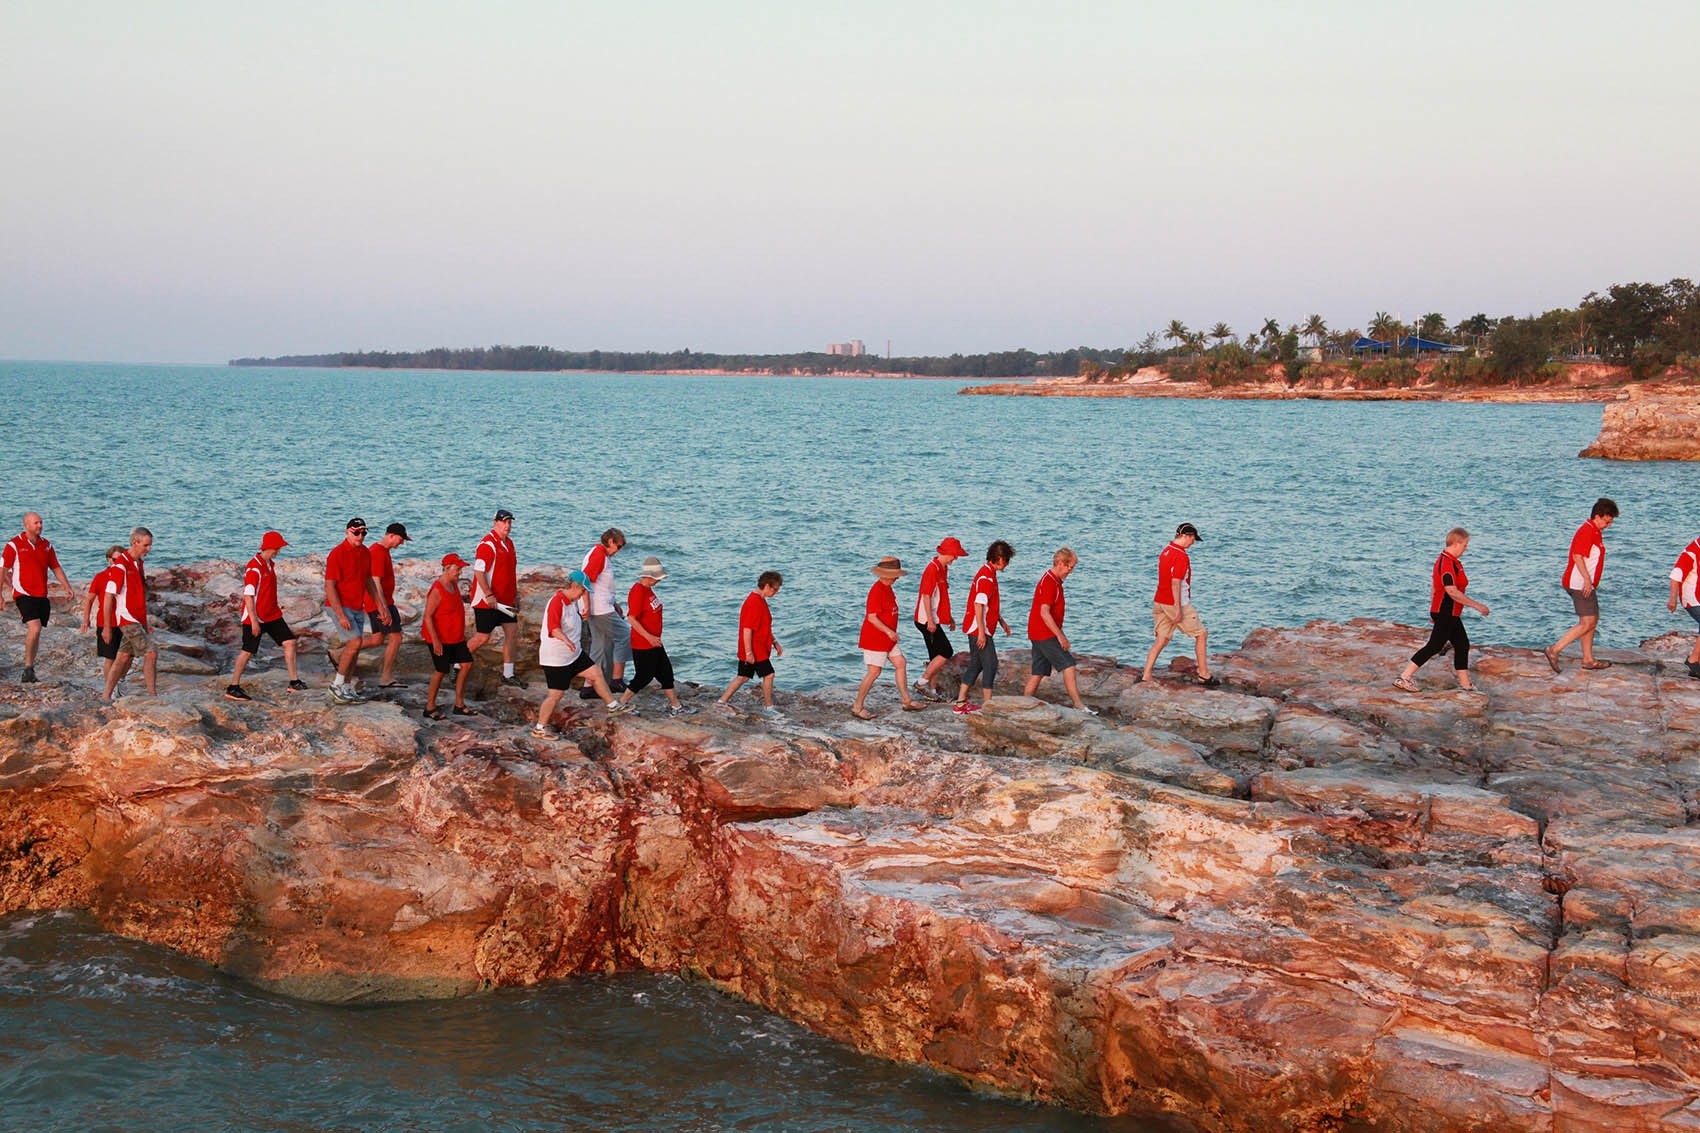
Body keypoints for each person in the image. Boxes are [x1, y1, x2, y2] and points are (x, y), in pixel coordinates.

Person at [1394, 528, 1490, 693]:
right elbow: (1451, 591)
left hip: (1447, 613)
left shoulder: (1449, 561)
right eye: (1465, 545)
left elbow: (1434, 588)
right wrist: (1477, 605)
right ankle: (1404, 677)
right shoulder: (1447, 563)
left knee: (1462, 644)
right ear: (1456, 543)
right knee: (1434, 646)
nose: (1466, 548)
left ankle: (1466, 685)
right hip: (1446, 612)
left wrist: (1434, 610)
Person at [535, 570, 626, 735]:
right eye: (583, 590)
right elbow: (553, 628)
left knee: (596, 672)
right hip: (557, 659)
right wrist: (566, 640)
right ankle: (539, 728)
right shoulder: (557, 603)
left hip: (574, 654)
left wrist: (585, 610)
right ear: (574, 586)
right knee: (555, 695)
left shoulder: (571, 601)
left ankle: (613, 706)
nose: (584, 594)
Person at [226, 531, 308, 700]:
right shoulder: (254, 567)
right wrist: (254, 622)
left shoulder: (270, 564)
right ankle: (233, 687)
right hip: (254, 617)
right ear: (269, 547)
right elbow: (248, 595)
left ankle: (294, 682)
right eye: (277, 547)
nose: (279, 550)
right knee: (247, 651)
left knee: (290, 642)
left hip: (272, 614)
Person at [1546, 498, 1619, 674]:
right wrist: (1587, 580)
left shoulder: (1595, 531)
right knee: (1587, 622)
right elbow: (1578, 556)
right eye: (1607, 521)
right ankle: (1554, 649)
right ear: (1597, 516)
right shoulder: (1587, 531)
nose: (1608, 525)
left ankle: (1588, 659)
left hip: (1586, 584)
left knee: (1592, 620)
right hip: (1579, 583)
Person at [3, 511, 75, 683]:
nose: (40, 526)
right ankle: (28, 668)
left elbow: (56, 567)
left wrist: (67, 586)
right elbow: (3, 570)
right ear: (26, 525)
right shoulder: (13, 545)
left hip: (41, 594)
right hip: (23, 593)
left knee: (37, 631)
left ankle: (30, 667)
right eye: (36, 523)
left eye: (41, 522)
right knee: (34, 628)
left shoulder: (47, 545)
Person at [1142, 523, 1217, 687]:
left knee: (1161, 639)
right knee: (1201, 634)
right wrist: (1177, 609)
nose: (1193, 543)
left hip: (1160, 601)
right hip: (1177, 603)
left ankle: (1146, 675)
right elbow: (1176, 583)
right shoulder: (1181, 556)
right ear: (1186, 536)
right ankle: (1204, 674)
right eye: (1193, 539)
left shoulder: (1166, 551)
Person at [1022, 547, 1094, 713]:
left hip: (1038, 632)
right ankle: (1078, 705)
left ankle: (1024, 703)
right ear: (1060, 563)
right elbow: (1044, 612)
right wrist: (1061, 637)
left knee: (1038, 671)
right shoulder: (1049, 583)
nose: (1071, 571)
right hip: (1044, 633)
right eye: (1070, 567)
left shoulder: (1053, 581)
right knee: (1068, 665)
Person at [616, 557, 690, 717]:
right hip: (643, 643)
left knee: (666, 672)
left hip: (654, 641)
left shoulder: (648, 590)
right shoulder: (637, 591)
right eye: (657, 578)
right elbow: (632, 618)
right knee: (644, 676)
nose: (659, 581)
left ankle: (676, 706)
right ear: (648, 576)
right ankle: (621, 703)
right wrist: (648, 637)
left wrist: (653, 638)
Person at [852, 557, 924, 719]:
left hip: (888, 638)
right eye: (894, 575)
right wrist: (888, 631)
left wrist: (890, 633)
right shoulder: (877, 591)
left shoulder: (888, 588)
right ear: (884, 574)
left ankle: (906, 701)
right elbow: (872, 617)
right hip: (875, 637)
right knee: (874, 672)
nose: (897, 578)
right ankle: (857, 707)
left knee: (901, 662)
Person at [324, 518, 386, 705]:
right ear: (347, 532)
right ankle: (336, 685)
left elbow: (368, 581)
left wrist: (380, 607)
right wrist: (341, 615)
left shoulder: (366, 553)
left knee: (356, 647)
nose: (360, 536)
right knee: (355, 641)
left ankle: (347, 687)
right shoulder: (337, 553)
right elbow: (330, 587)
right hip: (339, 606)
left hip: (357, 606)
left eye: (363, 533)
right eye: (356, 532)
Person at [954, 541, 1014, 714]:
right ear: (1000, 559)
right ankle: (988, 704)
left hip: (980, 627)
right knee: (991, 664)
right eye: (1007, 560)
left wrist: (1001, 621)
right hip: (978, 628)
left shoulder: (988, 573)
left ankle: (960, 703)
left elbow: (988, 604)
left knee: (976, 664)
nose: (1007, 564)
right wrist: (981, 633)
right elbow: (978, 605)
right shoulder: (986, 578)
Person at [467, 509, 525, 687]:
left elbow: (509, 572)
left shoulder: (509, 543)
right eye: (503, 522)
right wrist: (488, 594)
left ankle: (508, 674)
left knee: (512, 632)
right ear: (495, 523)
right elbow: (479, 572)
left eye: (509, 522)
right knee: (482, 637)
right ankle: (455, 663)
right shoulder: (487, 544)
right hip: (488, 602)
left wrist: (515, 595)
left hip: (506, 601)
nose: (507, 526)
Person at [102, 527, 158, 700]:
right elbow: (108, 596)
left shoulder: (138, 563)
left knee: (123, 656)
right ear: (135, 543)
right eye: (146, 545)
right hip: (127, 618)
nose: (149, 549)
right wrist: (106, 627)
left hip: (137, 618)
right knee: (151, 653)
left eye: (150, 545)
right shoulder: (120, 566)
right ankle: (153, 696)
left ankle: (105, 696)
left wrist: (145, 624)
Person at [717, 571, 784, 715]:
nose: (776, 592)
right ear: (767, 586)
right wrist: (748, 652)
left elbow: (763, 627)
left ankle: (721, 702)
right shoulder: (754, 602)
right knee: (769, 674)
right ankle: (768, 707)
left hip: (757, 647)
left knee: (743, 677)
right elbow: (747, 630)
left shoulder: (760, 600)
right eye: (775, 589)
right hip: (755, 648)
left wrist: (775, 642)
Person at [421, 553, 476, 719]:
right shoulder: (437, 589)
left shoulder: (453, 584)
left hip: (455, 637)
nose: (460, 572)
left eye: (460, 569)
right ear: (447, 568)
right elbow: (428, 616)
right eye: (457, 569)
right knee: (441, 671)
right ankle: (429, 707)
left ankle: (459, 704)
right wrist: (436, 641)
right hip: (440, 638)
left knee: (466, 663)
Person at [912, 537, 967, 702]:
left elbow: (940, 595)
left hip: (934, 618)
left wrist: (947, 616)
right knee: (946, 652)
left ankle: (933, 691)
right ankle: (922, 682)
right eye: (954, 555)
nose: (955, 559)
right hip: (925, 619)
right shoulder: (932, 569)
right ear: (947, 553)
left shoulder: (943, 569)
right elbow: (926, 596)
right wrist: (930, 620)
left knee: (935, 655)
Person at [360, 522, 411, 689]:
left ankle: (341, 653)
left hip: (382, 601)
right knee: (396, 637)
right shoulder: (377, 552)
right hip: (381, 602)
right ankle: (386, 678)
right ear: (391, 535)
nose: (401, 543)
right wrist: (383, 608)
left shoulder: (383, 551)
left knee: (377, 639)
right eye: (401, 539)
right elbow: (376, 582)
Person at [580, 528, 626, 694]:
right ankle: (616, 680)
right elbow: (585, 580)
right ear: (611, 542)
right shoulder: (599, 555)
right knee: (625, 636)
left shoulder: (597, 553)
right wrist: (587, 605)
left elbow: (601, 586)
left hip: (601, 606)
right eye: (618, 547)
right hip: (599, 609)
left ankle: (589, 687)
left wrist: (615, 603)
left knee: (599, 646)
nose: (618, 551)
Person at [80, 545, 123, 688]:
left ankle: (120, 683)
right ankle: (110, 687)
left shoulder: (127, 575)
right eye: (115, 559)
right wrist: (85, 620)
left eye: (120, 559)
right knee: (110, 657)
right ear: (109, 559)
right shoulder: (100, 577)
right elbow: (90, 599)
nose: (117, 562)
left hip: (124, 621)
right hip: (106, 622)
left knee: (124, 656)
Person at [1669, 527, 1700, 679]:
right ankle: (1693, 660)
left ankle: (1695, 665)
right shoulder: (1692, 552)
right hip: (1691, 598)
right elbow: (1675, 575)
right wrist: (1673, 599)